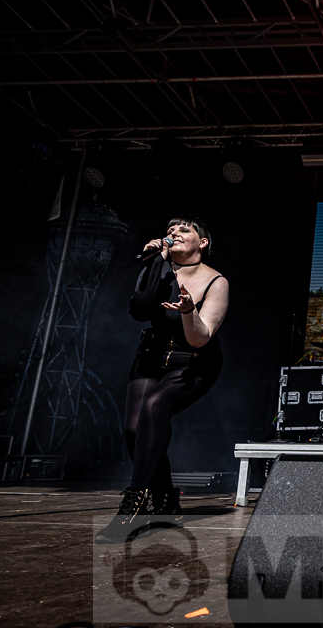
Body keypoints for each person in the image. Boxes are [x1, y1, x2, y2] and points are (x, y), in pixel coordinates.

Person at [97, 216, 229, 541]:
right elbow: (140, 309)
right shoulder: (157, 265)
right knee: (133, 430)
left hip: (194, 361)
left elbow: (201, 338)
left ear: (203, 242)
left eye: (184, 229)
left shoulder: (217, 282)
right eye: (170, 230)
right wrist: (159, 261)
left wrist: (188, 311)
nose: (174, 234)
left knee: (155, 406)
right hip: (152, 356)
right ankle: (167, 502)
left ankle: (134, 505)